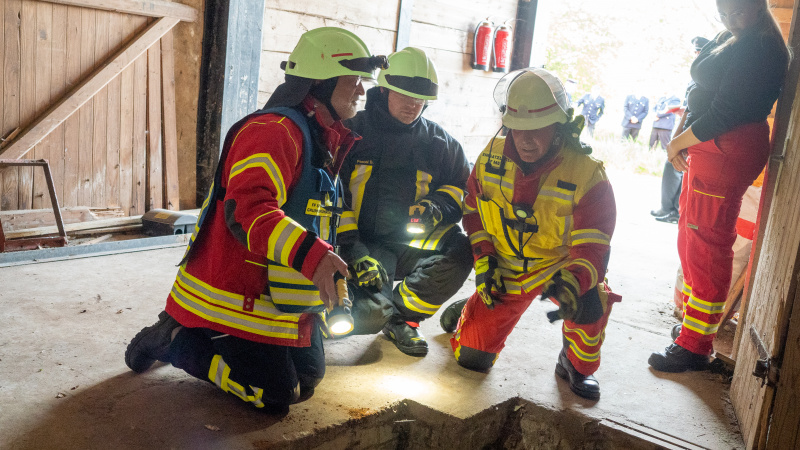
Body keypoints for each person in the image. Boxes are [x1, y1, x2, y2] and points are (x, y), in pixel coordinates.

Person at [123, 27, 388, 414]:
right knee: (274, 395)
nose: (363, 91)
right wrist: (312, 256)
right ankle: (176, 339)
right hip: (233, 292)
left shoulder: (322, 135)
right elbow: (249, 212)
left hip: (275, 295)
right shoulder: (274, 132)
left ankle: (215, 341)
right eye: (355, 80)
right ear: (322, 81)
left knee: (309, 379)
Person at [439, 68, 620, 400]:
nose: (524, 139)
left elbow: (594, 247)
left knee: (590, 301)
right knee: (472, 361)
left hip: (558, 268)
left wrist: (574, 281)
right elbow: (473, 213)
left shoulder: (587, 174)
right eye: (516, 128)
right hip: (506, 268)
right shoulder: (490, 157)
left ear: (559, 127)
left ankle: (576, 366)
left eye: (537, 129)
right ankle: (472, 306)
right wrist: (485, 262)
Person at [649, 0, 789, 373]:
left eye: (738, 11)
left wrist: (678, 143)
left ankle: (695, 346)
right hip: (710, 144)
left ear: (759, 6)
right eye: (723, 12)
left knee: (707, 244)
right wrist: (681, 134)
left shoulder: (759, 48)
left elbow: (726, 111)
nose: (730, 20)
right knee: (691, 237)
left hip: (727, 147)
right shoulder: (733, 33)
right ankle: (694, 328)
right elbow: (699, 85)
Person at [338, 47, 472, 356]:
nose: (412, 106)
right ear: (383, 89)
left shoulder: (440, 144)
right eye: (404, 96)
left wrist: (436, 206)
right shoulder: (350, 133)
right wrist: (355, 253)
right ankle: (369, 311)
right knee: (367, 316)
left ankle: (401, 319)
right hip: (359, 245)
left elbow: (463, 187)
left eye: (419, 100)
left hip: (409, 242)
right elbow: (331, 200)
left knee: (461, 249)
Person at [650, 37, 710, 224]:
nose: (696, 55)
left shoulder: (706, 75)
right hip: (689, 126)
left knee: (675, 165)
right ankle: (671, 209)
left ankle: (670, 209)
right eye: (695, 52)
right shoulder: (698, 75)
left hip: (695, 131)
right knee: (677, 167)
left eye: (700, 52)